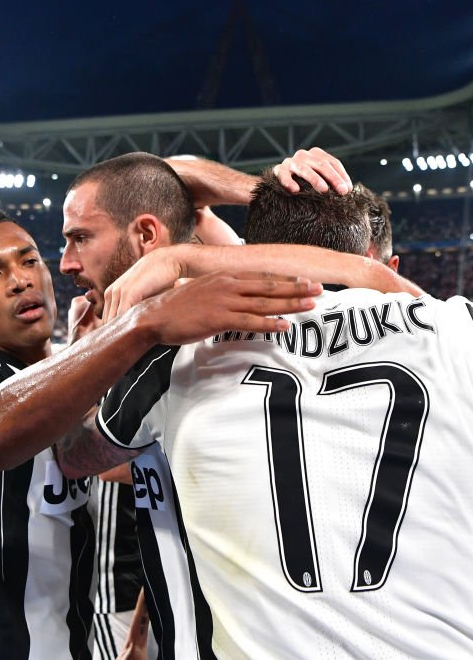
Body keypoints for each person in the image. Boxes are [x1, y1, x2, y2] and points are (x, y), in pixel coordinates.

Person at [59, 171, 473, 658]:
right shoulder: (471, 337)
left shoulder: (180, 342)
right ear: (381, 262)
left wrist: (177, 268)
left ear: (254, 250)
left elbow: (78, 455)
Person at [0, 203, 320, 658]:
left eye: (29, 261)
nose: (20, 280)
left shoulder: (79, 379)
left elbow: (155, 482)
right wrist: (140, 325)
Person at [59, 150, 416, 658]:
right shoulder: (442, 337)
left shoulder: (201, 329)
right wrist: (273, 192)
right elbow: (170, 492)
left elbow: (82, 457)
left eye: (80, 238)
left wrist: (81, 357)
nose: (67, 262)